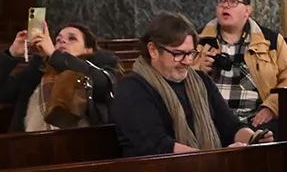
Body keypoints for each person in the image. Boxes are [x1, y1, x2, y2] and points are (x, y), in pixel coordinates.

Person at [113, 12, 269, 156]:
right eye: (178, 54)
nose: (187, 61)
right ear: (153, 50)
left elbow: (230, 125)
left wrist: (253, 139)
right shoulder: (132, 88)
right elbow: (158, 146)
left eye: (191, 53)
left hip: (205, 167)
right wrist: (213, 159)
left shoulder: (201, 80)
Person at [0, 21, 119, 131]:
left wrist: (55, 55)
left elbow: (102, 85)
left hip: (81, 147)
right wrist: (12, 53)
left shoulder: (99, 68)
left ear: (89, 49)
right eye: (58, 39)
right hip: (33, 147)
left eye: (72, 38)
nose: (63, 41)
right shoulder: (38, 71)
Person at [197, 0, 287, 130]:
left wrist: (271, 107)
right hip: (210, 120)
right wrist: (198, 69)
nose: (225, 6)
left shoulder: (271, 41)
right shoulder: (197, 40)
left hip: (256, 120)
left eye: (233, 2)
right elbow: (177, 77)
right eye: (221, 1)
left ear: (247, 11)